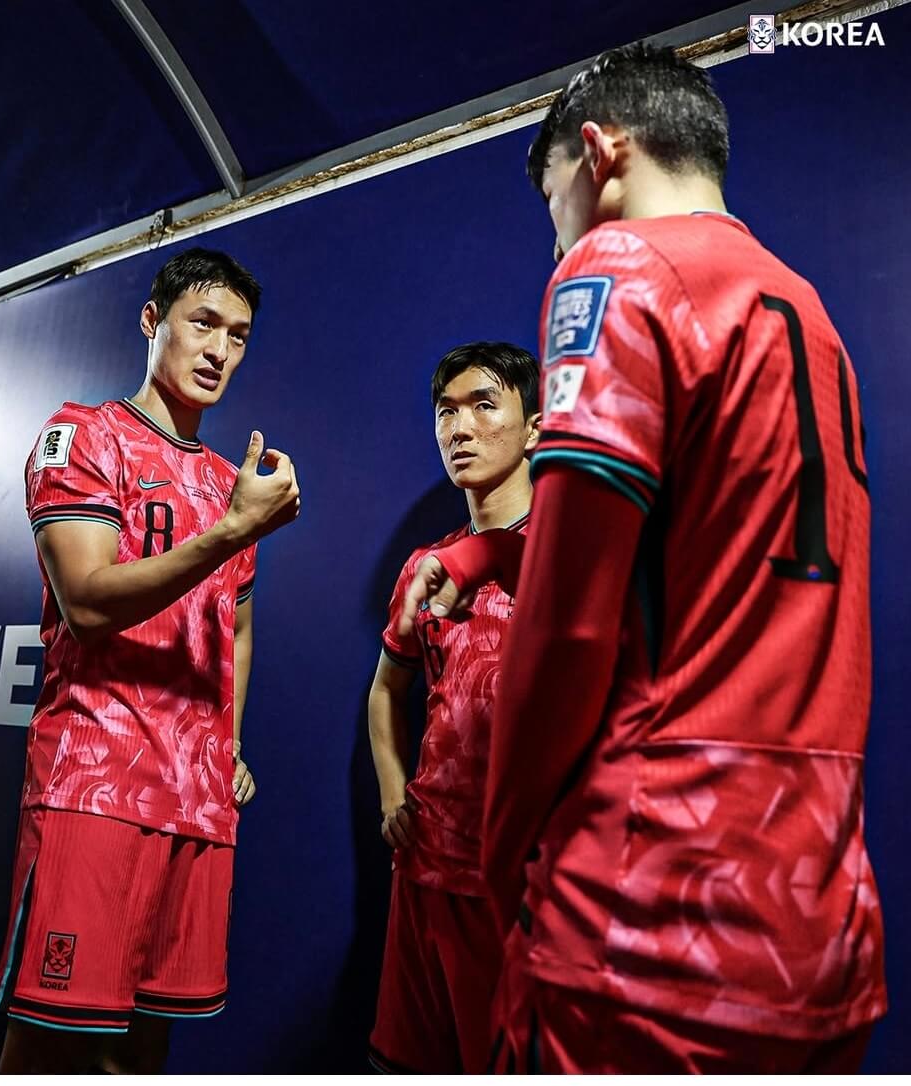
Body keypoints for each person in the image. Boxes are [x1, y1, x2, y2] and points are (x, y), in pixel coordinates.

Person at [400, 43, 886, 1073]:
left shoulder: (618, 266)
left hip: (651, 903)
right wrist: (489, 556)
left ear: (600, 153)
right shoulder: (806, 312)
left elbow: (571, 624)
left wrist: (504, 848)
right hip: (818, 905)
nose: (557, 236)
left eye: (554, 202)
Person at [0, 247, 300, 1073]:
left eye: (238, 335)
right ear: (151, 320)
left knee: (143, 1046)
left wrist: (229, 742)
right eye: (203, 324)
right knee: (51, 1041)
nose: (219, 350)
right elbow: (88, 603)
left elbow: (235, 625)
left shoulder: (232, 482)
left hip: (196, 802)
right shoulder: (83, 436)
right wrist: (233, 530)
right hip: (94, 784)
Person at [367, 342, 539, 1073]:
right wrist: (392, 794)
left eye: (483, 405)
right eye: (446, 411)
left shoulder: (567, 556)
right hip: (425, 870)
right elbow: (386, 690)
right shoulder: (423, 567)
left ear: (534, 429)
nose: (459, 428)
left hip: (522, 886)